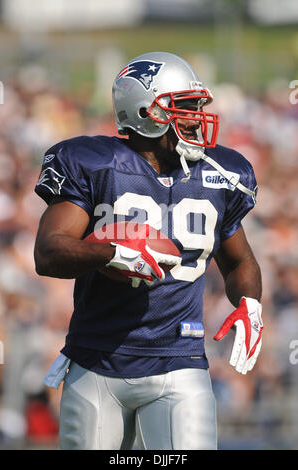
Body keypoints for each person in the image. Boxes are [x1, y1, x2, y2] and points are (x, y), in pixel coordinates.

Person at [34, 51, 263, 450]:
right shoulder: (96, 164)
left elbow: (240, 260)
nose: (197, 118)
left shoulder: (220, 173)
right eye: (185, 107)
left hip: (181, 361)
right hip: (97, 361)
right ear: (146, 112)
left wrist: (250, 305)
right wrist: (111, 253)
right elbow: (48, 253)